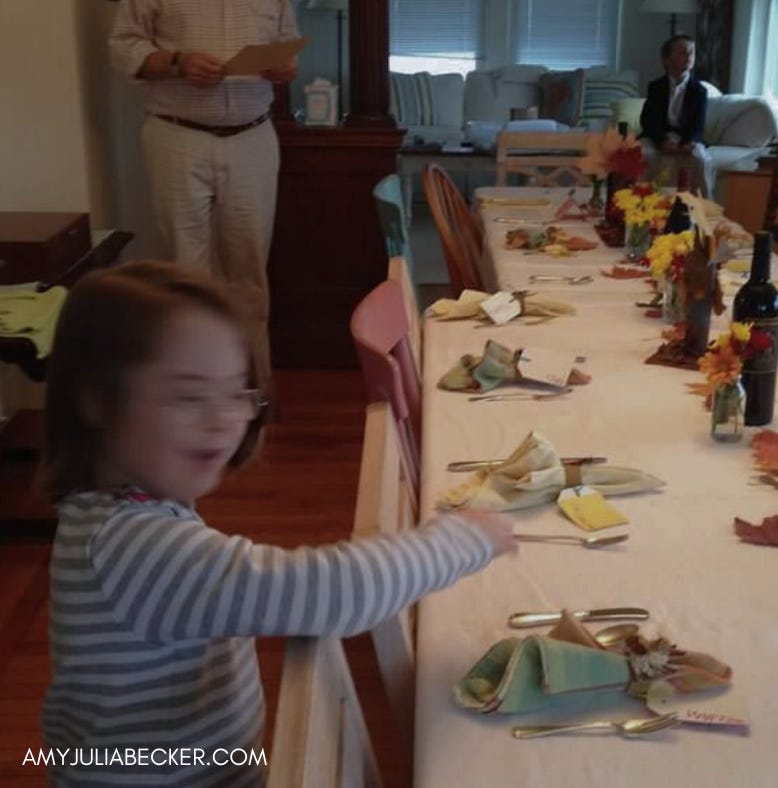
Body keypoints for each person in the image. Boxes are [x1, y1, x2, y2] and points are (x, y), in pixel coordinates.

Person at [41, 261, 516, 786]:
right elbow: (330, 592)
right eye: (189, 395)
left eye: (236, 393)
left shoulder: (121, 514)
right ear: (98, 401)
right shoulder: (132, 546)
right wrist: (464, 539)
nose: (225, 418)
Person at [109, 0, 301, 384]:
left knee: (248, 270)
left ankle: (253, 386)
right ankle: (195, 386)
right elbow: (124, 46)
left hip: (253, 137)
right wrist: (178, 62)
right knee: (187, 270)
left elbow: (288, 47)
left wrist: (285, 68)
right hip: (179, 136)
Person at [639, 34, 713, 197]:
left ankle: (705, 208)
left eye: (691, 52)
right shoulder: (656, 87)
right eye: (682, 52)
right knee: (643, 154)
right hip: (660, 136)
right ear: (666, 60)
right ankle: (641, 204)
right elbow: (648, 120)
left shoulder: (699, 90)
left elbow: (698, 123)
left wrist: (687, 143)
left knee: (700, 159)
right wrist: (661, 141)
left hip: (687, 138)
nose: (688, 56)